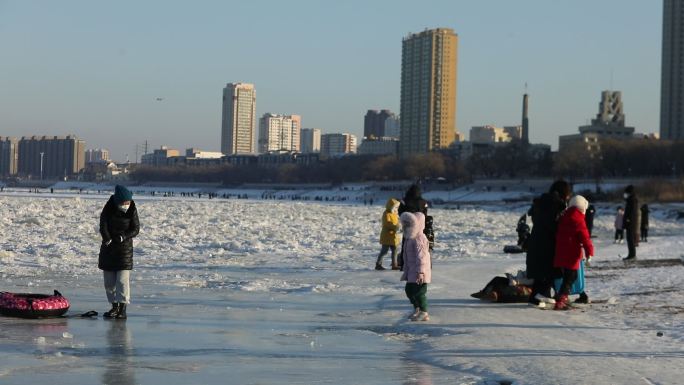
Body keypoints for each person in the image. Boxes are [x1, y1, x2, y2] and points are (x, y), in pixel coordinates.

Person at [526, 180, 571, 306]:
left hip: (536, 242)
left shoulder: (542, 203)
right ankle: (542, 295)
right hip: (546, 244)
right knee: (549, 270)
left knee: (541, 273)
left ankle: (535, 296)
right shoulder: (554, 205)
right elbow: (553, 225)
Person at [99, 185, 140, 319]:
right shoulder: (109, 206)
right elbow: (103, 224)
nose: (126, 205)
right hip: (109, 249)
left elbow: (135, 228)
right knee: (109, 282)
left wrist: (124, 236)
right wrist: (107, 238)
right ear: (118, 201)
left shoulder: (132, 209)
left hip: (124, 251)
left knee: (122, 281)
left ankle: (122, 308)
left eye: (128, 202)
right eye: (124, 203)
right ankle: (114, 307)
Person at [553, 195, 594, 310]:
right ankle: (562, 299)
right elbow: (585, 238)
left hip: (560, 253)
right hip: (572, 254)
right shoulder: (579, 220)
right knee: (570, 277)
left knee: (565, 277)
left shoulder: (563, 217)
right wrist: (589, 252)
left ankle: (560, 295)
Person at [400, 212, 431, 321]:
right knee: (409, 290)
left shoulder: (420, 238)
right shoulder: (410, 238)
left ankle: (424, 312)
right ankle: (417, 308)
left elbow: (422, 257)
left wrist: (421, 271)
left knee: (419, 292)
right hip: (412, 271)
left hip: (419, 272)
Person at [397, 184, 431, 269]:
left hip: (408, 227)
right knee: (420, 245)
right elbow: (425, 213)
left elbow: (400, 212)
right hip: (420, 227)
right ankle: (421, 264)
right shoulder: (423, 202)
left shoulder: (404, 200)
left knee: (406, 246)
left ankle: (404, 264)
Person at [376, 198, 401, 270]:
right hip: (387, 236)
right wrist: (396, 227)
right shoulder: (386, 214)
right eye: (395, 207)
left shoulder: (395, 214)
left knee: (395, 251)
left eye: (397, 207)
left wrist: (399, 226)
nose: (396, 208)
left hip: (394, 236)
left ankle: (394, 265)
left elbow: (396, 223)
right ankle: (378, 264)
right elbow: (387, 224)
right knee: (384, 251)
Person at [622, 185, 640, 261]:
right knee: (629, 239)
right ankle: (631, 254)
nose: (625, 194)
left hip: (631, 223)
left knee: (630, 239)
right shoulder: (630, 200)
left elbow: (632, 213)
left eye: (626, 193)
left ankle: (632, 255)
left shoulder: (633, 200)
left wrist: (628, 220)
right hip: (630, 222)